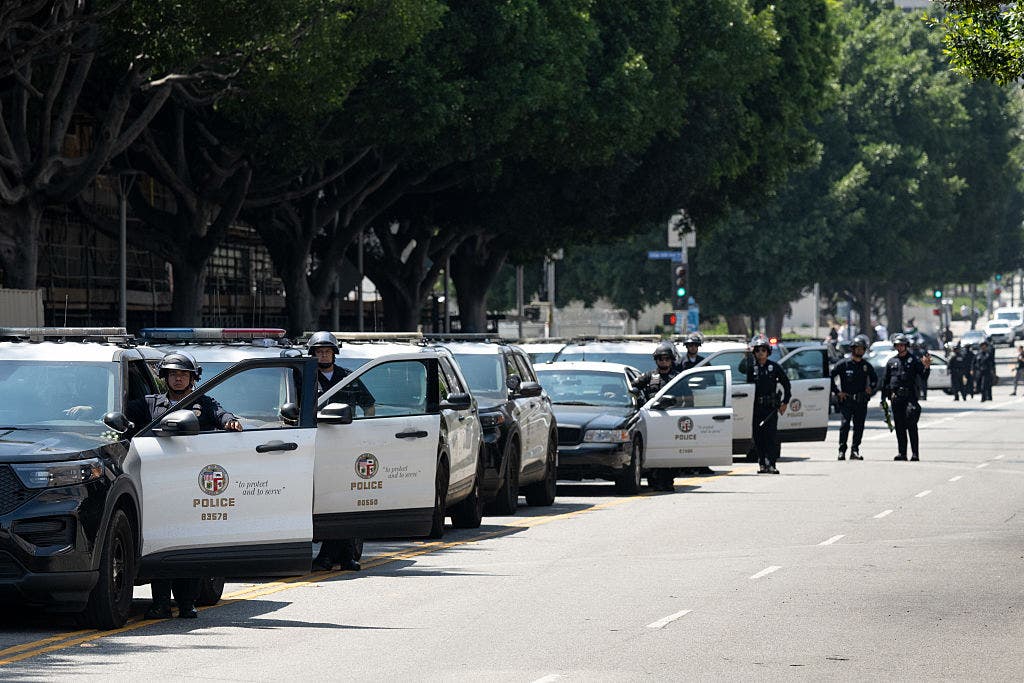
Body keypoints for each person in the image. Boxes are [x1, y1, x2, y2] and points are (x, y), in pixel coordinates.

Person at [127, 352, 242, 620]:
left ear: (193, 377)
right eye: (173, 374)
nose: (178, 379)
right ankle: (160, 603)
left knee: (188, 542)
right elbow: (122, 419)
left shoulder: (203, 403)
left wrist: (230, 422)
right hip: (158, 483)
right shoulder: (149, 404)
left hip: (193, 482)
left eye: (183, 374)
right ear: (164, 377)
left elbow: (222, 414)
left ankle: (187, 602)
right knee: (161, 541)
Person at [306, 331, 371, 572]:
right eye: (319, 351)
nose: (323, 354)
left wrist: (365, 433)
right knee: (327, 501)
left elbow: (369, 405)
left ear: (335, 352)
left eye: (327, 350)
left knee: (345, 501)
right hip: (315, 444)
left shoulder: (346, 376)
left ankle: (341, 556)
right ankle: (338, 556)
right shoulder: (304, 376)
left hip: (346, 446)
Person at [881, 333, 931, 462]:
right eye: (898, 345)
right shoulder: (892, 362)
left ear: (906, 346)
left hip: (910, 397)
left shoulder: (914, 360)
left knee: (911, 424)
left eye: (902, 345)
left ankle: (915, 453)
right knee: (899, 426)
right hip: (896, 398)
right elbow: (886, 381)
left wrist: (926, 366)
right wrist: (884, 399)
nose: (900, 347)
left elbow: (923, 377)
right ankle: (902, 452)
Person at [746, 334, 791, 474]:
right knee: (758, 438)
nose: (761, 353)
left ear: (768, 352)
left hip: (770, 408)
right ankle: (762, 464)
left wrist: (785, 402)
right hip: (755, 408)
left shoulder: (774, 367)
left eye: (763, 350)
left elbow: (786, 385)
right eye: (758, 350)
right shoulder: (750, 368)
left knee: (770, 437)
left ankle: (771, 463)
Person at [830, 334, 877, 461]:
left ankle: (855, 450)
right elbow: (830, 377)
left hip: (861, 401)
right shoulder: (843, 364)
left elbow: (875, 380)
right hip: (847, 400)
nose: (860, 351)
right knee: (845, 425)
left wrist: (870, 388)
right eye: (857, 348)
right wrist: (837, 392)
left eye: (862, 349)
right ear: (853, 349)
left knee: (859, 426)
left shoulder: (866, 365)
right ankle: (841, 450)